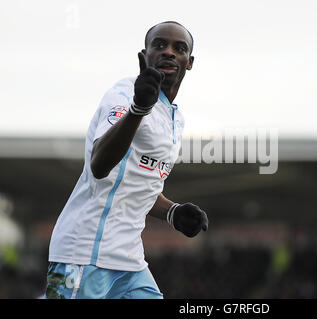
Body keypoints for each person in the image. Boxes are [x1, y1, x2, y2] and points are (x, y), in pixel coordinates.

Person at [45, 21, 208, 299]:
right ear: (145, 55)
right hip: (83, 254)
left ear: (189, 62)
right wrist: (138, 109)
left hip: (129, 260)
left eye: (178, 48)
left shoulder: (176, 118)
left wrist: (172, 211)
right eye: (160, 45)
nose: (169, 52)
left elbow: (137, 185)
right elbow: (99, 165)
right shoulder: (124, 94)